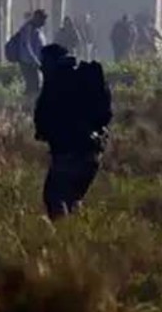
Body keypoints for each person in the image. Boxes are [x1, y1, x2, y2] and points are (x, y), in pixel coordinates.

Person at [34, 44, 111, 219]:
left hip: (70, 152)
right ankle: (75, 237)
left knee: (54, 198)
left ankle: (64, 239)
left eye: (44, 62)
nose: (41, 67)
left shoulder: (57, 83)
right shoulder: (80, 78)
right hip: (93, 152)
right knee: (72, 201)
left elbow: (44, 118)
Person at [8, 9, 47, 100]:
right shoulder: (28, 28)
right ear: (37, 18)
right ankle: (26, 106)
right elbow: (26, 46)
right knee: (33, 87)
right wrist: (35, 60)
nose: (44, 22)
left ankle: (28, 106)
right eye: (43, 19)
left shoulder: (37, 29)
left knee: (35, 86)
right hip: (28, 63)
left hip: (33, 63)